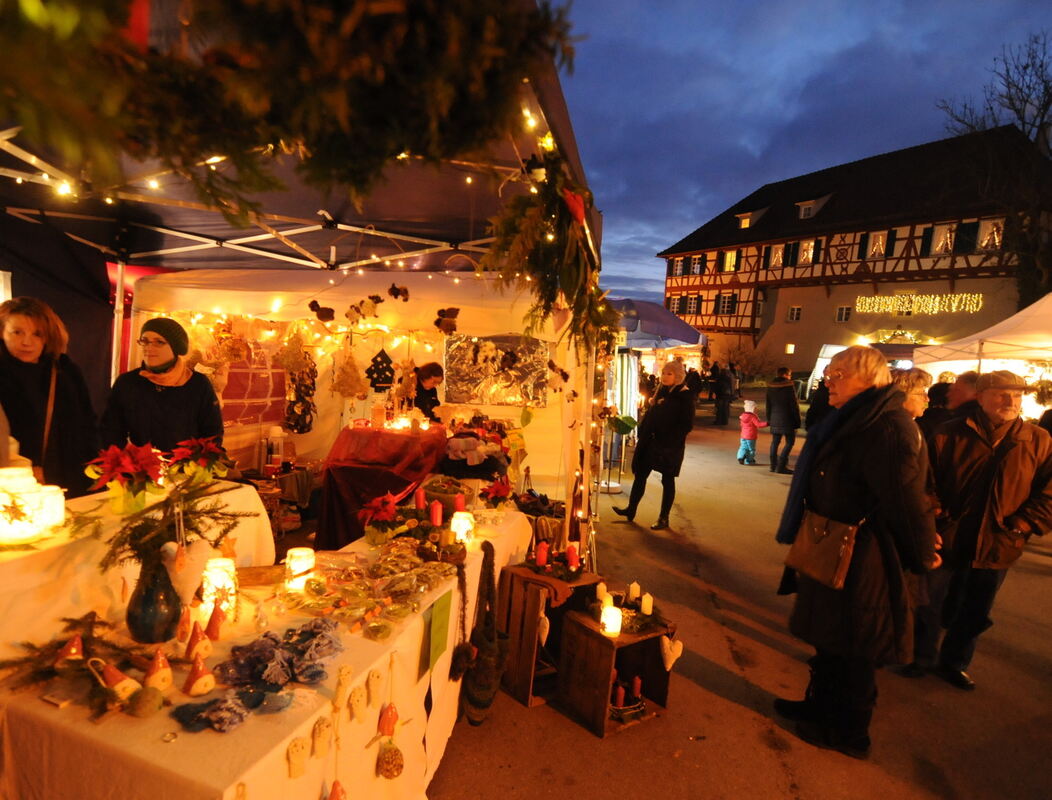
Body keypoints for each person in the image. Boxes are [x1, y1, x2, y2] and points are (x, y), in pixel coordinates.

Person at [773, 345, 938, 759]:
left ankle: (849, 732)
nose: (828, 381)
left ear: (870, 377)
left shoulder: (887, 426)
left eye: (838, 375)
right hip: (833, 542)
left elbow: (905, 500)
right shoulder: (852, 417)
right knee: (830, 640)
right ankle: (818, 707)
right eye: (829, 374)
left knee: (856, 648)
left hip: (866, 555)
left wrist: (921, 554)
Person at [925, 370, 1052, 690]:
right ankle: (919, 657)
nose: (1010, 400)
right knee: (929, 602)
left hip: (999, 540)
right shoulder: (949, 432)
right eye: (1000, 394)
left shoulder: (1037, 439)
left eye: (1017, 395)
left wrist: (1025, 523)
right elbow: (926, 480)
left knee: (976, 608)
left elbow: (1050, 490)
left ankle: (954, 662)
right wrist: (934, 511)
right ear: (980, 397)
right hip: (948, 536)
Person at [0, 297, 98, 496]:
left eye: (37, 334)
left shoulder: (65, 371)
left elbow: (87, 425)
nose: (26, 342)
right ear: (2, 332)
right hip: (14, 483)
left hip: (70, 477)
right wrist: (25, 471)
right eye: (17, 332)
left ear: (48, 337)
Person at [101, 317, 223, 453]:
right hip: (141, 464)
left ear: (175, 347)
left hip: (186, 464)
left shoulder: (197, 384)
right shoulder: (128, 383)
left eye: (159, 342)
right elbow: (111, 430)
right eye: (145, 341)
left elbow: (212, 432)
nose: (149, 347)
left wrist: (198, 461)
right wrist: (122, 460)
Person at [613, 360, 694, 530]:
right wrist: (643, 432)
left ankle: (664, 518)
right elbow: (652, 416)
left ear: (678, 376)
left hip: (669, 447)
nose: (665, 376)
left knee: (667, 480)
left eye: (669, 373)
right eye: (664, 373)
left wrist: (670, 440)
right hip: (650, 442)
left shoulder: (684, 396)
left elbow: (686, 425)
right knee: (640, 475)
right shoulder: (661, 390)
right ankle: (631, 509)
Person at [766, 366, 801, 474]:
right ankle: (781, 466)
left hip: (775, 418)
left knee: (775, 442)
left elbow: (768, 405)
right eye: (790, 375)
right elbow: (794, 405)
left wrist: (769, 419)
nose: (790, 377)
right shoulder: (789, 386)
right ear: (785, 375)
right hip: (788, 418)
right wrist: (797, 421)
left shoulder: (770, 386)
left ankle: (773, 465)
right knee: (790, 442)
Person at [737, 399, 767, 465]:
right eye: (755, 408)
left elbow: (741, 425)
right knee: (751, 449)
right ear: (751, 409)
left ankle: (740, 457)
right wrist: (767, 423)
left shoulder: (742, 416)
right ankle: (749, 460)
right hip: (751, 436)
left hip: (743, 436)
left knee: (743, 447)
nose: (756, 410)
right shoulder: (752, 417)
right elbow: (758, 424)